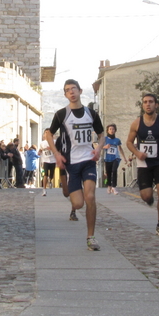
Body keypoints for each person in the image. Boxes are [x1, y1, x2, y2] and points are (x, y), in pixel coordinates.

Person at [44, 80, 105, 251]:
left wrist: (99, 148)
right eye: (67, 90)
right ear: (65, 95)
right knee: (78, 204)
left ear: (80, 91)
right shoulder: (61, 114)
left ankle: (91, 237)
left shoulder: (91, 114)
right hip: (71, 163)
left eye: (73, 89)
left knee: (91, 197)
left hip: (88, 161)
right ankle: (77, 208)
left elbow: (101, 134)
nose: (71, 92)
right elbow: (48, 133)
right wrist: (56, 153)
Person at [126, 93, 159, 236]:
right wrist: (137, 154)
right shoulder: (137, 123)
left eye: (150, 102)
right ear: (142, 105)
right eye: (145, 102)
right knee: (146, 195)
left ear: (156, 105)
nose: (148, 104)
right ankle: (149, 199)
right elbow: (129, 142)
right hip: (143, 163)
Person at [103, 124, 126, 194]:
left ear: (115, 130)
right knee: (109, 172)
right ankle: (109, 186)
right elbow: (98, 146)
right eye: (110, 129)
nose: (112, 131)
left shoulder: (117, 140)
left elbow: (120, 149)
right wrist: (105, 147)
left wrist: (124, 158)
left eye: (113, 129)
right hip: (107, 158)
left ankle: (114, 187)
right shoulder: (105, 139)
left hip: (116, 158)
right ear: (107, 131)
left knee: (114, 170)